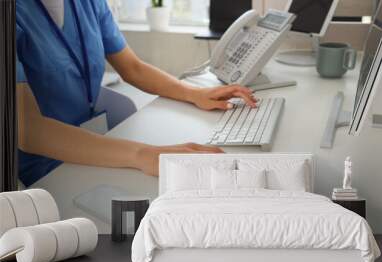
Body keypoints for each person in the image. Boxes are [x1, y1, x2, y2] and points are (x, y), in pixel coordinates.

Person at [16, 0, 256, 186]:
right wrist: (144, 155)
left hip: (97, 149)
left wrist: (194, 93)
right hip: (42, 171)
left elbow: (132, 67)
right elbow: (29, 130)